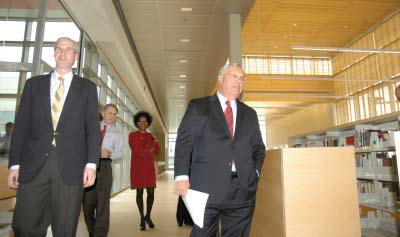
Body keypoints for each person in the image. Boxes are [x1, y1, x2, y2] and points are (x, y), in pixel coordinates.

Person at [7, 37, 100, 237]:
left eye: (68, 49)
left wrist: (91, 165)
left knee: (65, 228)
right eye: (58, 48)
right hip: (33, 166)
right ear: (54, 53)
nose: (62, 52)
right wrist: (15, 165)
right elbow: (21, 126)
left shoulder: (88, 89)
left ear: (75, 57)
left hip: (71, 168)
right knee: (25, 225)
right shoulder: (34, 85)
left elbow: (92, 130)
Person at [174, 63, 266, 237]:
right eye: (234, 76)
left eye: (242, 78)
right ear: (221, 79)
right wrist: (181, 176)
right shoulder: (198, 107)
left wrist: (255, 172)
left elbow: (259, 148)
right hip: (205, 187)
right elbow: (184, 143)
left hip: (242, 188)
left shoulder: (250, 114)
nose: (239, 81)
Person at [83, 103, 123, 237]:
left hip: (105, 167)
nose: (112, 116)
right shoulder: (92, 127)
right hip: (89, 166)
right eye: (110, 113)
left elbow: (120, 153)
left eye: (114, 114)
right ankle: (91, 230)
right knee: (88, 203)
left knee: (103, 204)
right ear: (103, 113)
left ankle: (100, 234)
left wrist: (109, 154)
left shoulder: (117, 133)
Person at [129, 111, 160, 231]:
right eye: (140, 121)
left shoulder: (151, 136)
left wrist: (156, 141)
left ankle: (148, 216)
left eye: (145, 121)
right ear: (137, 123)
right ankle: (142, 218)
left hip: (149, 170)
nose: (143, 123)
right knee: (139, 193)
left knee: (151, 193)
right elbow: (136, 151)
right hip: (137, 169)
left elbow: (156, 151)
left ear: (148, 123)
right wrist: (148, 151)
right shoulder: (132, 135)